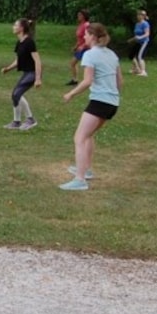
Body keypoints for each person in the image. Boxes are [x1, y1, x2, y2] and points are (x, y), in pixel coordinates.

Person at [61, 23, 122, 191]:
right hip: (112, 103)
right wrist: (113, 96)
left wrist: (71, 94)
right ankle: (85, 170)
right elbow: (119, 82)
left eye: (86, 35)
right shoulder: (112, 55)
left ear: (94, 37)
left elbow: (87, 81)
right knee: (88, 135)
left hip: (99, 102)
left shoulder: (89, 55)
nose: (84, 37)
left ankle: (80, 179)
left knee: (79, 138)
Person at [1, 18, 42, 130]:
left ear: (21, 28)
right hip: (27, 73)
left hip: (32, 73)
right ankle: (17, 122)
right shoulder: (19, 43)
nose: (13, 27)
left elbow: (37, 61)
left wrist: (38, 78)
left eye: (15, 25)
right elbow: (18, 61)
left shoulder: (29, 42)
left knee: (16, 94)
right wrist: (8, 68)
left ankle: (30, 119)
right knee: (15, 95)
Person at [66, 9, 91, 86]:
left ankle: (87, 80)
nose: (78, 16)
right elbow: (80, 38)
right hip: (80, 47)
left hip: (86, 48)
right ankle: (75, 79)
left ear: (84, 16)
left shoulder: (86, 25)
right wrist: (76, 46)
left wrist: (83, 46)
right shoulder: (81, 25)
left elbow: (88, 37)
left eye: (80, 15)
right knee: (73, 63)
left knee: (86, 65)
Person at [127, 10, 151, 76]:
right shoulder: (137, 24)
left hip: (144, 42)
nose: (138, 16)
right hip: (138, 42)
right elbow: (136, 35)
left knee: (140, 56)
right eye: (138, 15)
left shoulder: (145, 24)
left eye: (140, 15)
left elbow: (147, 34)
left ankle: (143, 72)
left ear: (143, 16)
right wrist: (131, 40)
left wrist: (140, 37)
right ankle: (137, 69)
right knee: (131, 55)